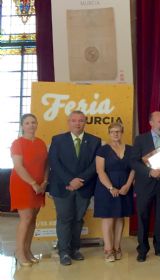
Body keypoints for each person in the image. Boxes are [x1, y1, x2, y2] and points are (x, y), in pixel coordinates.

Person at [48, 110, 101, 266]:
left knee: (78, 219)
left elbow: (95, 165)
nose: (77, 123)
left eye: (80, 121)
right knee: (65, 219)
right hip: (62, 187)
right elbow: (54, 163)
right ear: (68, 122)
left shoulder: (94, 141)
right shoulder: (57, 140)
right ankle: (63, 252)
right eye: (74, 120)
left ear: (85, 122)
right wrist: (70, 180)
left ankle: (74, 249)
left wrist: (80, 180)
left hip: (83, 187)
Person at [131, 111, 160, 262]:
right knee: (143, 218)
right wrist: (150, 172)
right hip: (145, 185)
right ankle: (142, 250)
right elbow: (134, 162)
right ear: (151, 123)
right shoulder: (140, 139)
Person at [10, 114, 48, 267]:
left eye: (33, 122)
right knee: (25, 219)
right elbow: (18, 166)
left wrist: (44, 182)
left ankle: (27, 250)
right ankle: (19, 252)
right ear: (22, 126)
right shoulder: (17, 143)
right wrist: (33, 183)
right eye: (27, 123)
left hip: (39, 186)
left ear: (37, 124)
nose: (31, 125)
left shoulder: (41, 143)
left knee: (33, 219)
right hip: (23, 184)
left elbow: (46, 165)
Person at [94, 122, 135, 262]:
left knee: (120, 217)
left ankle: (117, 247)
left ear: (122, 132)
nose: (115, 134)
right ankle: (108, 249)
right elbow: (100, 171)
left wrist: (128, 185)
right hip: (106, 188)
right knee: (108, 218)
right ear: (109, 133)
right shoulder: (103, 150)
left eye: (118, 131)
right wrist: (111, 187)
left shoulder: (130, 149)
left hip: (125, 188)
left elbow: (133, 169)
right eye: (112, 131)